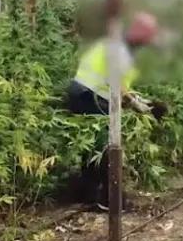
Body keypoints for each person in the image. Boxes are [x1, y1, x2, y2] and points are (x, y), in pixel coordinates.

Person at [65, 12, 160, 210]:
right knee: (106, 146)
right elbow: (115, 82)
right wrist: (135, 104)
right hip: (89, 95)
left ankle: (89, 193)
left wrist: (141, 102)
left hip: (83, 93)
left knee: (93, 146)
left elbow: (120, 88)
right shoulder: (120, 49)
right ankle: (109, 198)